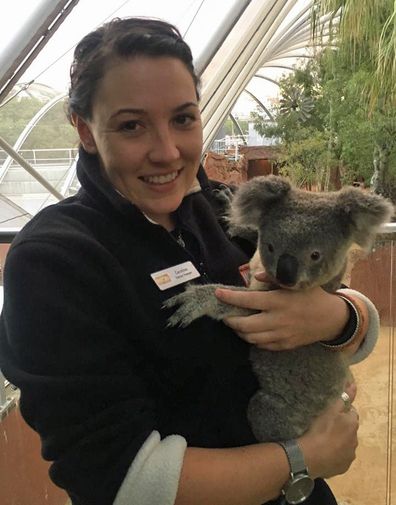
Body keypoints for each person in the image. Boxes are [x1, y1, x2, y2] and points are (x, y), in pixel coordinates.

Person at [0, 17, 380, 505]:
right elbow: (122, 481)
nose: (167, 152)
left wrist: (338, 317)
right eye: (131, 125)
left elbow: (350, 314)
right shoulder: (55, 261)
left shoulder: (229, 211)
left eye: (183, 118)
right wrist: (302, 458)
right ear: (85, 129)